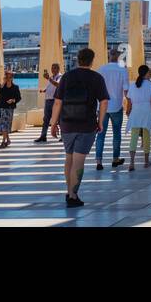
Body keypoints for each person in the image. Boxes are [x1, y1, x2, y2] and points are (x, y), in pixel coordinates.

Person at [49, 47, 110, 207]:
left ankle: (69, 191)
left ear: (77, 59)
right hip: (87, 125)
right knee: (78, 161)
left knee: (69, 158)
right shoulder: (97, 78)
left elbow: (57, 102)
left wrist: (53, 123)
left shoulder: (67, 77)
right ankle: (73, 195)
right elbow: (104, 101)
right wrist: (100, 121)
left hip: (67, 124)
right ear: (92, 61)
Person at [95, 48, 131, 170]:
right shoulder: (123, 70)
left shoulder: (101, 69)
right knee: (116, 134)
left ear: (109, 56)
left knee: (100, 134)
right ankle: (115, 159)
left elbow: (96, 90)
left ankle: (99, 162)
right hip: (116, 107)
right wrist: (130, 105)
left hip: (103, 107)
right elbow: (126, 90)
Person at [125, 64, 151, 170]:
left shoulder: (132, 85)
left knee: (134, 137)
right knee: (147, 136)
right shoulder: (150, 85)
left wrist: (128, 112)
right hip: (147, 111)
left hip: (135, 111)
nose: (150, 74)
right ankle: (146, 161)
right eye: (149, 72)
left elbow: (129, 101)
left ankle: (131, 163)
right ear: (146, 73)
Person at [0, 69, 22, 149]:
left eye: (10, 77)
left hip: (9, 109)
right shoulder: (3, 86)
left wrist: (13, 100)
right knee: (4, 125)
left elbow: (19, 98)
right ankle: (7, 140)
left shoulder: (15, 87)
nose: (8, 79)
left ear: (12, 78)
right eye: (7, 77)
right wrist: (3, 82)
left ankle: (4, 141)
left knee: (5, 125)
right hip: (2, 108)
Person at [34, 62, 61, 142]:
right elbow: (51, 87)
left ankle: (63, 136)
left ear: (58, 68)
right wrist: (44, 90)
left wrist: (49, 78)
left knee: (59, 119)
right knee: (46, 119)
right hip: (48, 101)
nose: (52, 69)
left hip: (55, 101)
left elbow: (58, 85)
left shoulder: (60, 76)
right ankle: (43, 136)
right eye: (52, 68)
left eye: (54, 68)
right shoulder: (52, 77)